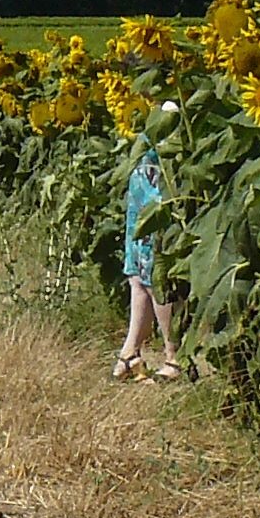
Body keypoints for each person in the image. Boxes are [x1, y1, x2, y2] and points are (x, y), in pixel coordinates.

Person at [113, 142, 184, 382]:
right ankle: (130, 352)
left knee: (157, 277)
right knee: (137, 275)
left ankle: (174, 358)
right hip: (144, 176)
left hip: (162, 179)